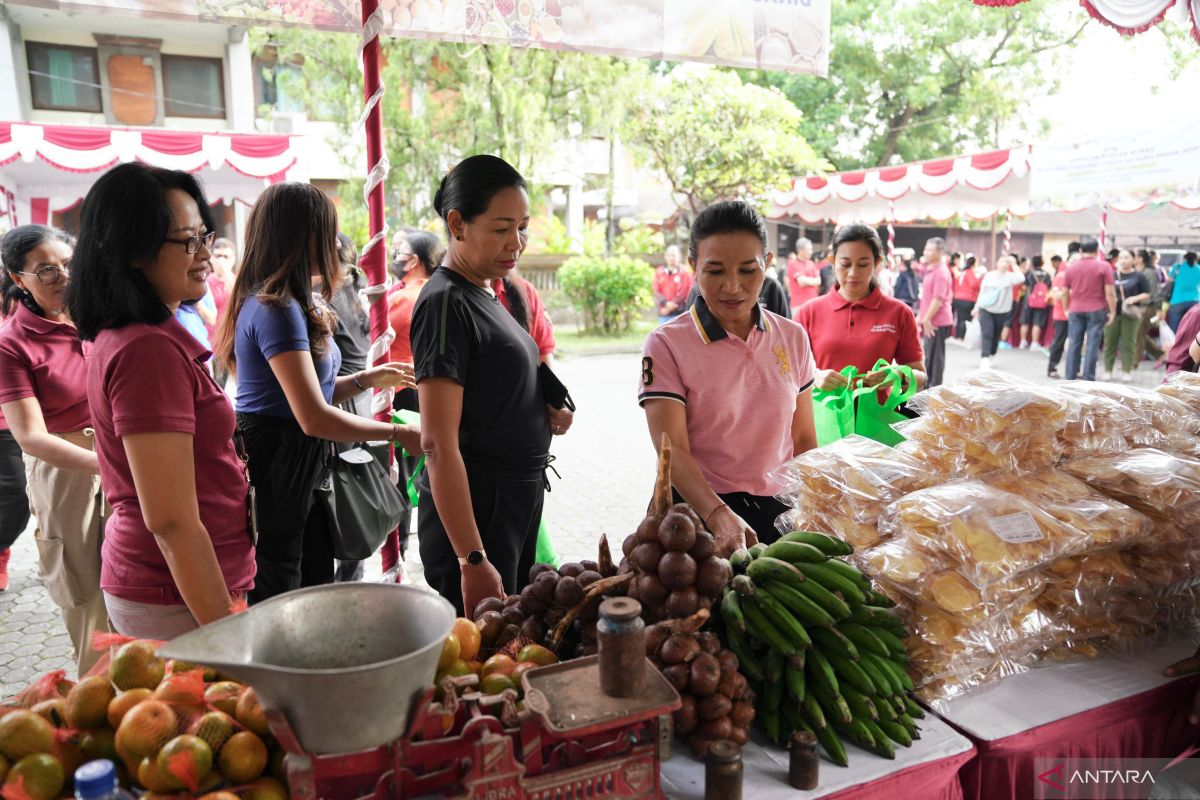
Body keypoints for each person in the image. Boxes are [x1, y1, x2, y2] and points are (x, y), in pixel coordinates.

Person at [67, 163, 253, 639]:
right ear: (132, 251)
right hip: (174, 593)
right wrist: (228, 636)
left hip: (181, 584)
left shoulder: (143, 336)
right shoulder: (147, 350)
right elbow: (170, 521)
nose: (205, 254)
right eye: (187, 241)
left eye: (205, 236)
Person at [214, 182, 420, 604]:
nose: (334, 245)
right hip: (279, 456)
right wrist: (397, 435)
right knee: (284, 584)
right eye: (327, 233)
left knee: (310, 574)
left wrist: (366, 379)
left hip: (296, 452)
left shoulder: (288, 301)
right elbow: (312, 415)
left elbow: (312, 395)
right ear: (302, 237)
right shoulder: (277, 308)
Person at [411, 155, 573, 616]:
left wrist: (543, 407)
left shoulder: (485, 290)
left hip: (511, 504)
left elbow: (491, 388)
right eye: (502, 228)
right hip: (479, 512)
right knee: (483, 653)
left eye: (522, 227)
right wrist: (472, 558)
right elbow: (438, 445)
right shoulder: (444, 303)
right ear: (457, 224)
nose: (516, 242)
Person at [639, 200, 817, 553]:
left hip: (779, 512)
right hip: (696, 515)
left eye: (748, 270)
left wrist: (816, 504)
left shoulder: (793, 337)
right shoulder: (666, 343)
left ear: (767, 264)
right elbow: (670, 450)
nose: (732, 287)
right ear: (693, 267)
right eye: (715, 271)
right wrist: (718, 513)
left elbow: (804, 438)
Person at [0, 225, 111, 672]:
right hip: (65, 472)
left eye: (70, 263)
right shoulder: (12, 343)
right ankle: (100, 701)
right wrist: (107, 465)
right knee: (84, 593)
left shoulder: (99, 316)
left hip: (121, 452)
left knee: (142, 579)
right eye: (47, 271)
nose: (65, 276)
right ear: (17, 278)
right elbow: (31, 436)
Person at [796, 224, 925, 396]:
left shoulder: (899, 313)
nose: (853, 273)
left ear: (877, 263)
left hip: (879, 420)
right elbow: (786, 372)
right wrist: (814, 377)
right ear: (832, 262)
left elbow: (921, 376)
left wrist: (899, 376)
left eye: (863, 265)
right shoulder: (808, 313)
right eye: (845, 264)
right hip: (822, 419)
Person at [381, 231, 442, 577]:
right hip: (427, 389)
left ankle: (399, 548)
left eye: (400, 252)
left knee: (402, 476)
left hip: (402, 389)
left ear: (416, 260)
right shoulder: (439, 292)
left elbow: (374, 330)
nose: (395, 255)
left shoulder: (404, 297)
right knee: (427, 468)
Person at [324, 233, 374, 583]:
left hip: (343, 398)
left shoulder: (327, 298)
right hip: (358, 396)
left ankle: (348, 573)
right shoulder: (356, 288)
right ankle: (353, 570)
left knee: (343, 490)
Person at [1062, 237, 1117, 382]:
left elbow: (1064, 292)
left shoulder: (1071, 268)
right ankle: (1088, 378)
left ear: (1080, 251)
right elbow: (1110, 292)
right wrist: (1112, 311)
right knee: (1093, 344)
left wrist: (1066, 308)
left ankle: (1070, 377)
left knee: (1074, 342)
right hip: (1097, 309)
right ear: (1097, 250)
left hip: (1075, 309)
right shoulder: (1104, 266)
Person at [1100, 249, 1151, 382]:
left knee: (1128, 343)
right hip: (1112, 313)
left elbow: (1147, 293)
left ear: (1133, 260)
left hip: (1131, 315)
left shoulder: (1139, 276)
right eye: (1121, 258)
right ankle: (1107, 370)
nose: (1123, 260)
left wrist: (1134, 298)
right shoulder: (1111, 275)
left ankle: (1126, 370)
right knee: (1110, 342)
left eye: (1126, 257)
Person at [973, 256, 1026, 370]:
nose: (1004, 264)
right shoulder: (989, 275)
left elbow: (1021, 278)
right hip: (986, 309)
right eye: (1002, 261)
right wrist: (976, 308)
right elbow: (982, 292)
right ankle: (985, 357)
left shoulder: (1011, 277)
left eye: (1006, 263)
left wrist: (1014, 264)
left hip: (1002, 311)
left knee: (996, 334)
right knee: (987, 332)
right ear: (997, 263)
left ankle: (991, 353)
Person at [915, 238, 953, 387]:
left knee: (936, 358)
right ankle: (929, 387)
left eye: (930, 250)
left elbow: (938, 298)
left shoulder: (941, 272)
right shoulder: (931, 269)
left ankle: (934, 389)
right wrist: (921, 317)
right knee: (929, 356)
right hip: (930, 320)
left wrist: (927, 319)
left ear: (940, 252)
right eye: (926, 249)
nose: (926, 252)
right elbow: (927, 297)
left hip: (937, 321)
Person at [1134, 249, 1165, 366]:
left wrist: (1158, 309)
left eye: (1135, 256)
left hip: (1147, 308)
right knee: (1140, 334)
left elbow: (1155, 291)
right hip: (1136, 308)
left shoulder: (1149, 273)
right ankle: (1160, 354)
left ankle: (1134, 362)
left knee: (1138, 334)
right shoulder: (1135, 271)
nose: (1133, 259)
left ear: (1140, 259)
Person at [1019, 255, 1053, 351]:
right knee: (1037, 322)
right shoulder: (1047, 274)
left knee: (1025, 321)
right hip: (1042, 301)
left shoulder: (1029, 273)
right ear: (1042, 263)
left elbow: (1024, 287)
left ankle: (1023, 341)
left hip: (1028, 300)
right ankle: (1034, 343)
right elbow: (1049, 288)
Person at [653, 245, 693, 323]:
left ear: (679, 257)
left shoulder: (683, 272)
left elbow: (684, 291)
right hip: (663, 312)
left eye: (674, 255)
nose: (671, 258)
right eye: (669, 255)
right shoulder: (659, 272)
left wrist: (672, 306)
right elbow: (656, 291)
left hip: (678, 313)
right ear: (665, 256)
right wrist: (666, 305)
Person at [1046, 256, 1070, 378]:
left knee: (1076, 343)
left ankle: (1074, 370)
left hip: (1076, 315)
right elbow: (1055, 295)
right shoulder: (1061, 276)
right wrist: (1070, 293)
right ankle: (1052, 367)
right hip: (1061, 315)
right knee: (1058, 342)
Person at [998, 255, 1029, 349]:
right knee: (1008, 320)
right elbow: (1023, 285)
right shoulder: (1016, 273)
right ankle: (1002, 342)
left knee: (1001, 319)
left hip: (1001, 299)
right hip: (1013, 299)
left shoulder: (1002, 272)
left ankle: (999, 340)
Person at [786, 238, 821, 316]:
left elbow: (819, 281)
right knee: (798, 327)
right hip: (798, 304)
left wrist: (806, 280)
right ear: (800, 250)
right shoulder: (792, 264)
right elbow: (801, 282)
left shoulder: (812, 263)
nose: (811, 252)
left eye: (811, 249)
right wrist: (813, 281)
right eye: (809, 249)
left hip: (813, 302)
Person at [1167, 252, 1200, 333]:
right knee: (1193, 328)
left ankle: (1174, 343)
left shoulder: (1177, 267)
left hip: (1177, 300)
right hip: (1195, 301)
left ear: (1184, 258)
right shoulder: (1198, 269)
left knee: (1174, 327)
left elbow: (1169, 280)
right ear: (1196, 259)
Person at [952, 255, 983, 340]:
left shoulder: (962, 272)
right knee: (966, 319)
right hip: (968, 299)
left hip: (958, 298)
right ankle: (962, 337)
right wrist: (980, 279)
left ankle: (958, 336)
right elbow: (973, 284)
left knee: (960, 318)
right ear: (974, 263)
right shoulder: (970, 272)